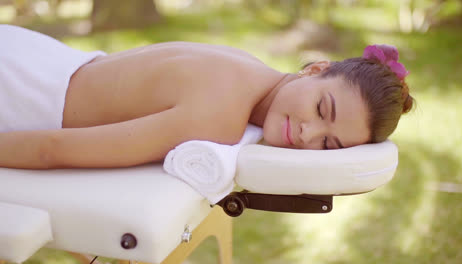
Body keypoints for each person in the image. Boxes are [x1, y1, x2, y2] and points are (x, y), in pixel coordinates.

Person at [0, 25, 413, 169]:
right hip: (22, 91)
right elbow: (50, 151)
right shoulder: (220, 118)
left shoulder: (246, 65)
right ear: (315, 69)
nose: (308, 133)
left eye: (328, 143)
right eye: (322, 109)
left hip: (40, 55)